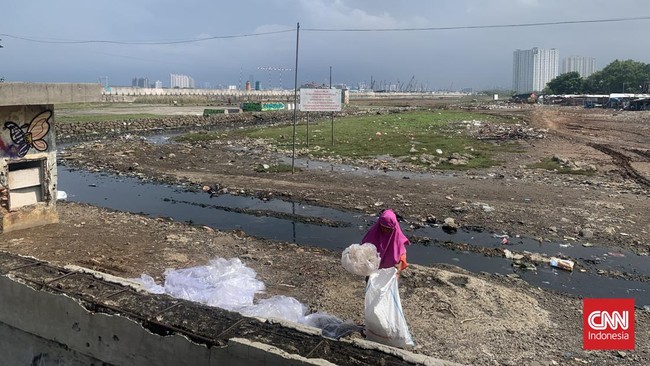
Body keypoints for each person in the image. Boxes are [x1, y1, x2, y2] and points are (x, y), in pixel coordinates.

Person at [362, 209, 410, 277]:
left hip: (390, 272)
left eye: (388, 228)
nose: (385, 230)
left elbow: (402, 254)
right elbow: (363, 249)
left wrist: (398, 270)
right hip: (373, 270)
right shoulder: (372, 235)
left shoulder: (397, 238)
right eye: (383, 227)